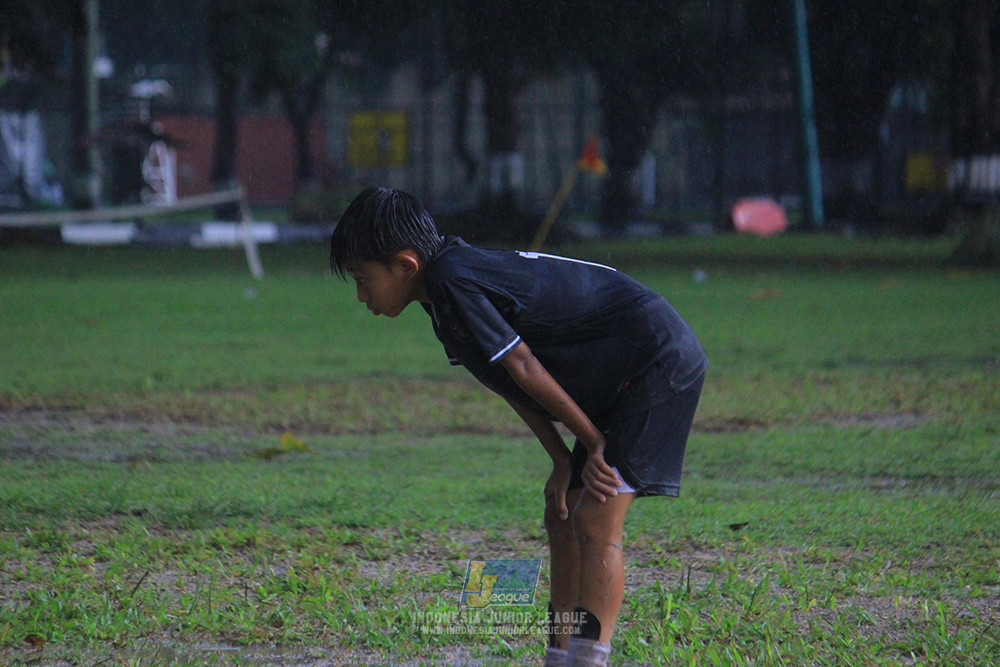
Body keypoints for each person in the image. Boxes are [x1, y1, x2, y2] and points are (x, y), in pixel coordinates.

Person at [329, 187, 707, 667]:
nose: (361, 295)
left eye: (364, 279)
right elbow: (508, 380)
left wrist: (593, 443)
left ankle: (590, 659)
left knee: (594, 517)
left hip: (656, 360)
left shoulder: (451, 280)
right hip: (622, 371)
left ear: (405, 265)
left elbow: (524, 364)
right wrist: (560, 459)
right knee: (562, 514)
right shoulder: (441, 293)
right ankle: (559, 656)